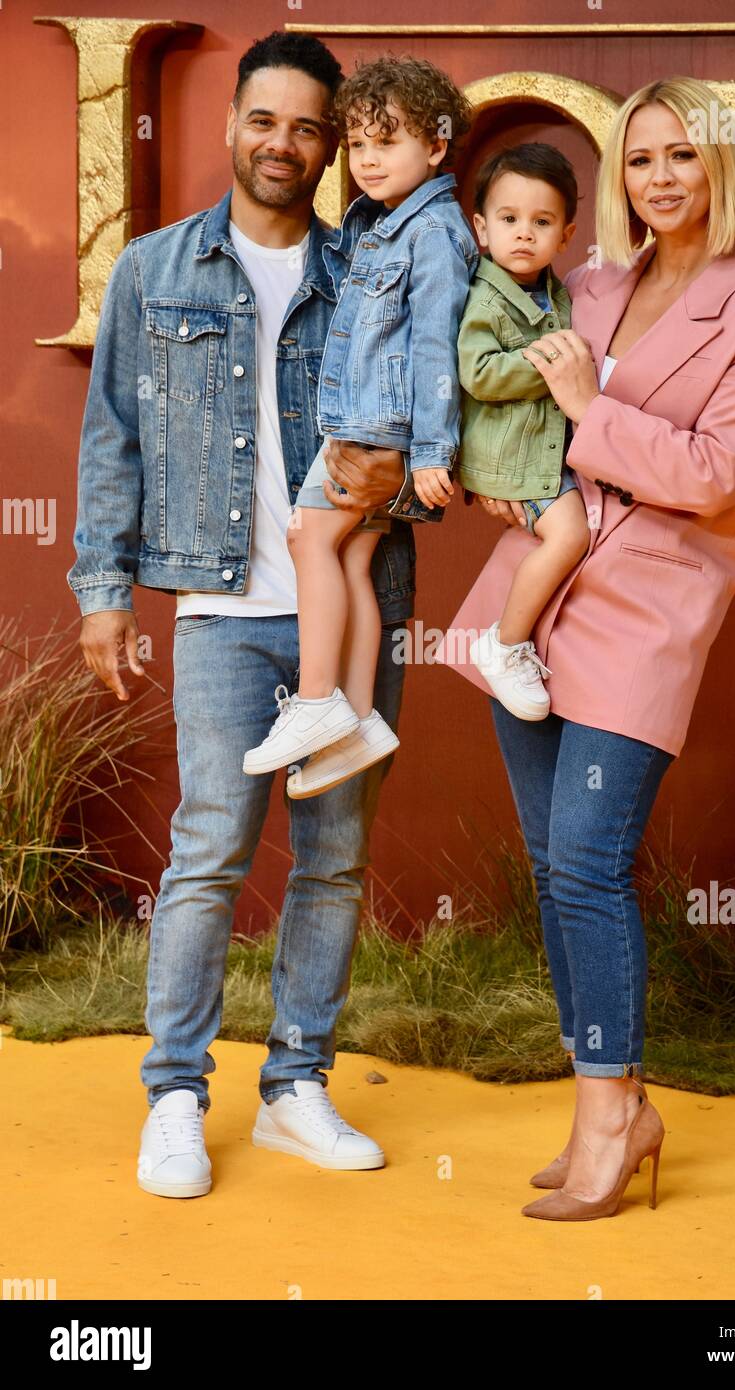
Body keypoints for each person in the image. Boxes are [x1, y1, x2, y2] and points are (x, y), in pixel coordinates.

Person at [435, 76, 735, 1221]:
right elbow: (513, 409)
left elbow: (712, 478)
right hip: (530, 611)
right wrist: (500, 484)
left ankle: (610, 1120)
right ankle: (609, 1098)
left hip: (643, 618)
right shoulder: (585, 280)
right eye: (638, 157)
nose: (658, 177)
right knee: (554, 869)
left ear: (724, 168)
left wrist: (593, 406)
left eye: (681, 155)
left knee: (591, 865)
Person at [69, 32, 427, 1198]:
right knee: (210, 849)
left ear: (334, 143)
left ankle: (296, 1089)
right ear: (231, 124)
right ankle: (175, 1092)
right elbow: (112, 434)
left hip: (357, 604)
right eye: (264, 120)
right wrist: (103, 590)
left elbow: (428, 406)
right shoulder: (154, 268)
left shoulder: (372, 269)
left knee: (333, 857)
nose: (284, 143)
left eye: (309, 127)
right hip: (224, 607)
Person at [242, 57, 478, 796]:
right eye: (360, 145)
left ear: (436, 148)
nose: (370, 160)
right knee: (349, 561)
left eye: (390, 142)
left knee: (307, 537)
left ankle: (317, 701)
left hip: (376, 429)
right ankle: (360, 718)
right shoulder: (376, 224)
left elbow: (441, 345)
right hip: (372, 423)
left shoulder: (432, 233)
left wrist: (433, 450)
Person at [456, 144, 590, 721]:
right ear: (482, 228)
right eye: (509, 220)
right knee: (569, 536)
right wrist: (551, 367)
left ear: (566, 234)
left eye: (542, 222)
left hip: (543, 448)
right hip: (515, 460)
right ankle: (505, 643)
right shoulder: (486, 296)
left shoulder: (553, 290)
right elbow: (478, 372)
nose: (524, 235)